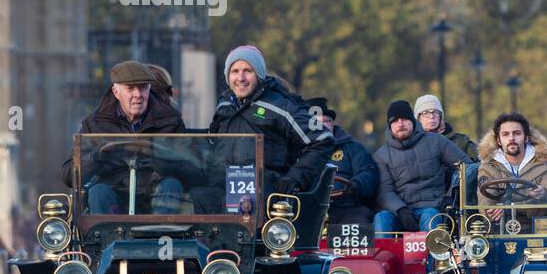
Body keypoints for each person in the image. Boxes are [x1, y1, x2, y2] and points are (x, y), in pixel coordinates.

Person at [61, 60, 187, 213]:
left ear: (149, 89)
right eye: (130, 89)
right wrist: (97, 156)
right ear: (116, 92)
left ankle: (162, 232)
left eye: (143, 88)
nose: (138, 95)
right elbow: (69, 175)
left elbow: (191, 166)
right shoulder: (95, 123)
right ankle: (106, 235)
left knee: (171, 185)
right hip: (115, 195)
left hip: (155, 191)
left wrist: (162, 157)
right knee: (98, 191)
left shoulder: (171, 120)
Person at [209, 46, 335, 195]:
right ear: (227, 76)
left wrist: (294, 177)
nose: (240, 78)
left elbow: (323, 140)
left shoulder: (281, 105)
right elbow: (212, 141)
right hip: (222, 189)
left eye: (248, 71)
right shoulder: (224, 104)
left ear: (259, 74)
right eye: (235, 71)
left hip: (263, 195)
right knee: (197, 195)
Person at [374, 99, 472, 234]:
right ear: (389, 126)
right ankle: (383, 255)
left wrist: (452, 195)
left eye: (404, 119)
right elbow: (385, 191)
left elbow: (466, 167)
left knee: (430, 216)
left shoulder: (436, 141)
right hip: (400, 210)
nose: (400, 124)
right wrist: (400, 209)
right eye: (395, 121)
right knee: (381, 218)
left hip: (433, 207)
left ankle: (435, 255)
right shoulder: (381, 155)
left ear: (413, 121)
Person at [305, 97, 379, 226]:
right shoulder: (297, 150)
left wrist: (357, 185)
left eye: (327, 121)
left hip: (347, 208)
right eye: (317, 122)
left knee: (360, 219)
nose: (323, 126)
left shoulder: (353, 147)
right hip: (310, 209)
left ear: (332, 124)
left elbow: (369, 172)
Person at [476, 112, 547, 222]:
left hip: (534, 227)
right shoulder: (488, 167)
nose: (511, 138)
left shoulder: (543, 164)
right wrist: (490, 212)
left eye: (517, 133)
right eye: (505, 134)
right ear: (498, 140)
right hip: (501, 228)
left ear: (526, 138)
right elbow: (485, 200)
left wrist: (543, 193)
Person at [415, 94, 479, 161]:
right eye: (425, 113)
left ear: (441, 116)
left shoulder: (462, 143)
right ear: (418, 118)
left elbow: (480, 164)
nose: (431, 116)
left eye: (435, 112)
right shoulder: (411, 144)